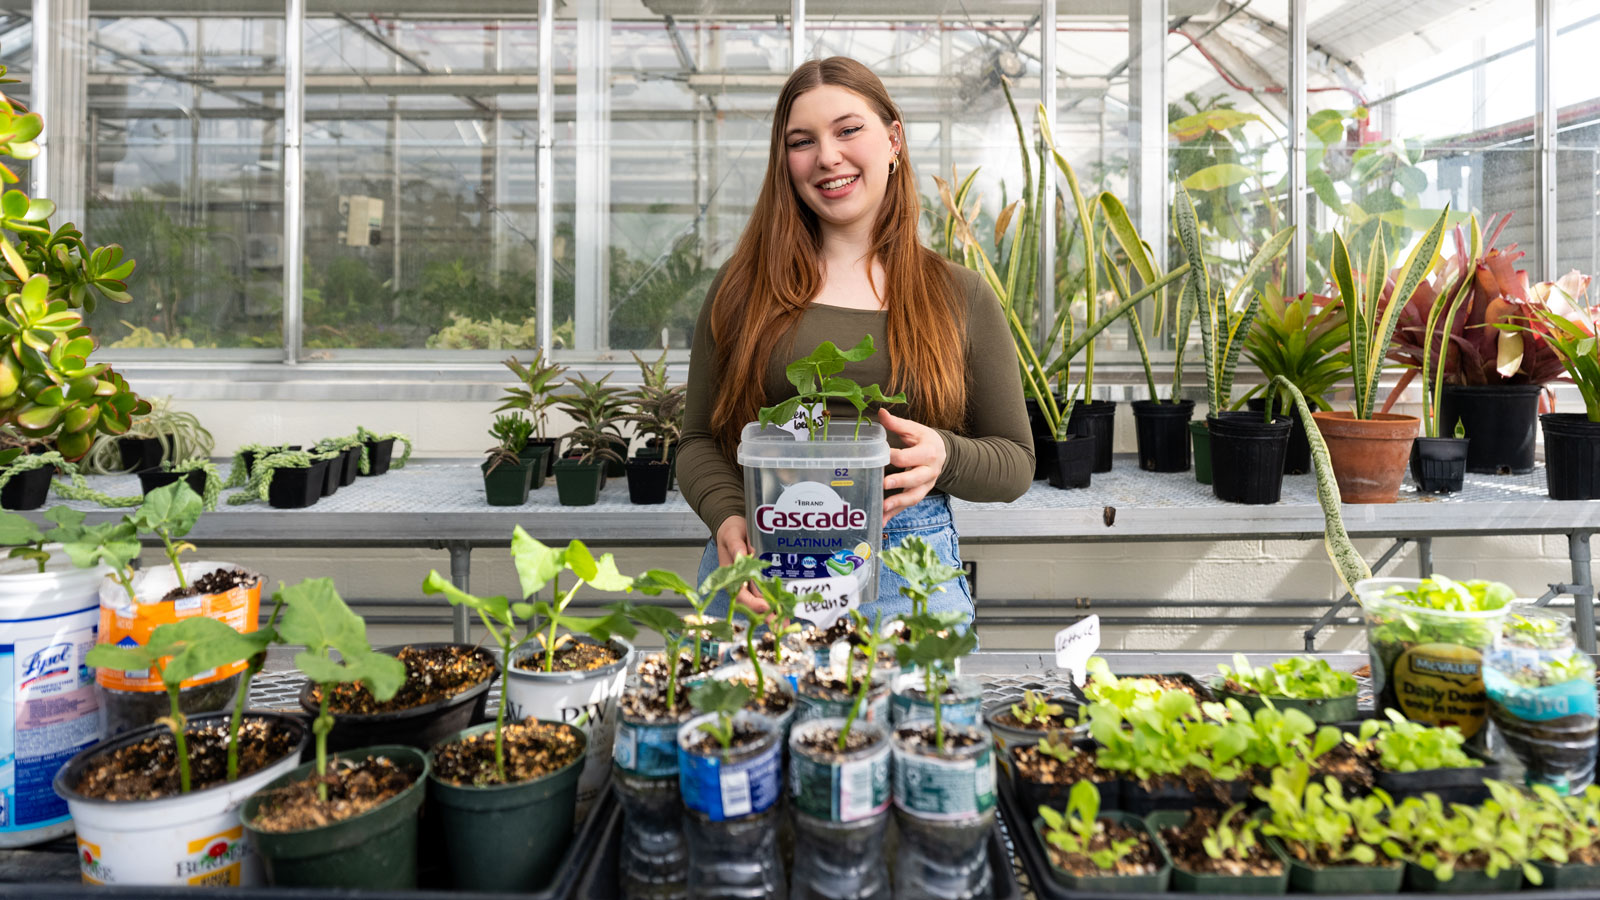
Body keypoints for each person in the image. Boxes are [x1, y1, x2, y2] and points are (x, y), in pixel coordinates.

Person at [676, 56, 1033, 629]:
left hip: (903, 574)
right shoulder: (742, 289)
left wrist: (944, 455)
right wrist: (727, 517)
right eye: (802, 141)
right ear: (784, 161)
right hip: (762, 568)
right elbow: (696, 441)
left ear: (893, 139)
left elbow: (1015, 462)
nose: (827, 157)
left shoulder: (959, 296)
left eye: (848, 130)